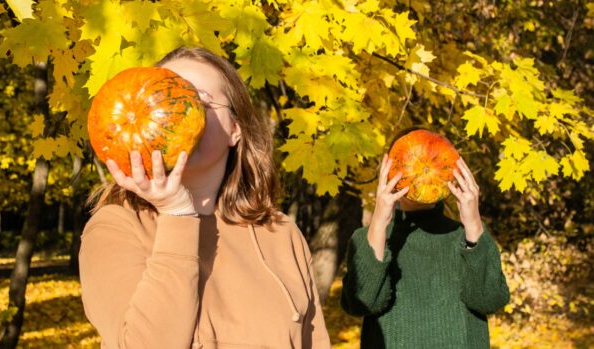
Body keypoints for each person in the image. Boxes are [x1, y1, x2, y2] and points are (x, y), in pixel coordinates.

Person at [79, 47, 331, 349]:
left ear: (235, 129)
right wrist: (177, 215)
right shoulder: (114, 227)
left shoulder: (280, 232)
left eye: (199, 99)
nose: (179, 112)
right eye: (166, 96)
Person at [340, 128, 510, 348]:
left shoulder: (466, 237)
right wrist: (379, 222)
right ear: (389, 170)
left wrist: (474, 223)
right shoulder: (369, 238)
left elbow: (490, 299)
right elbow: (360, 302)